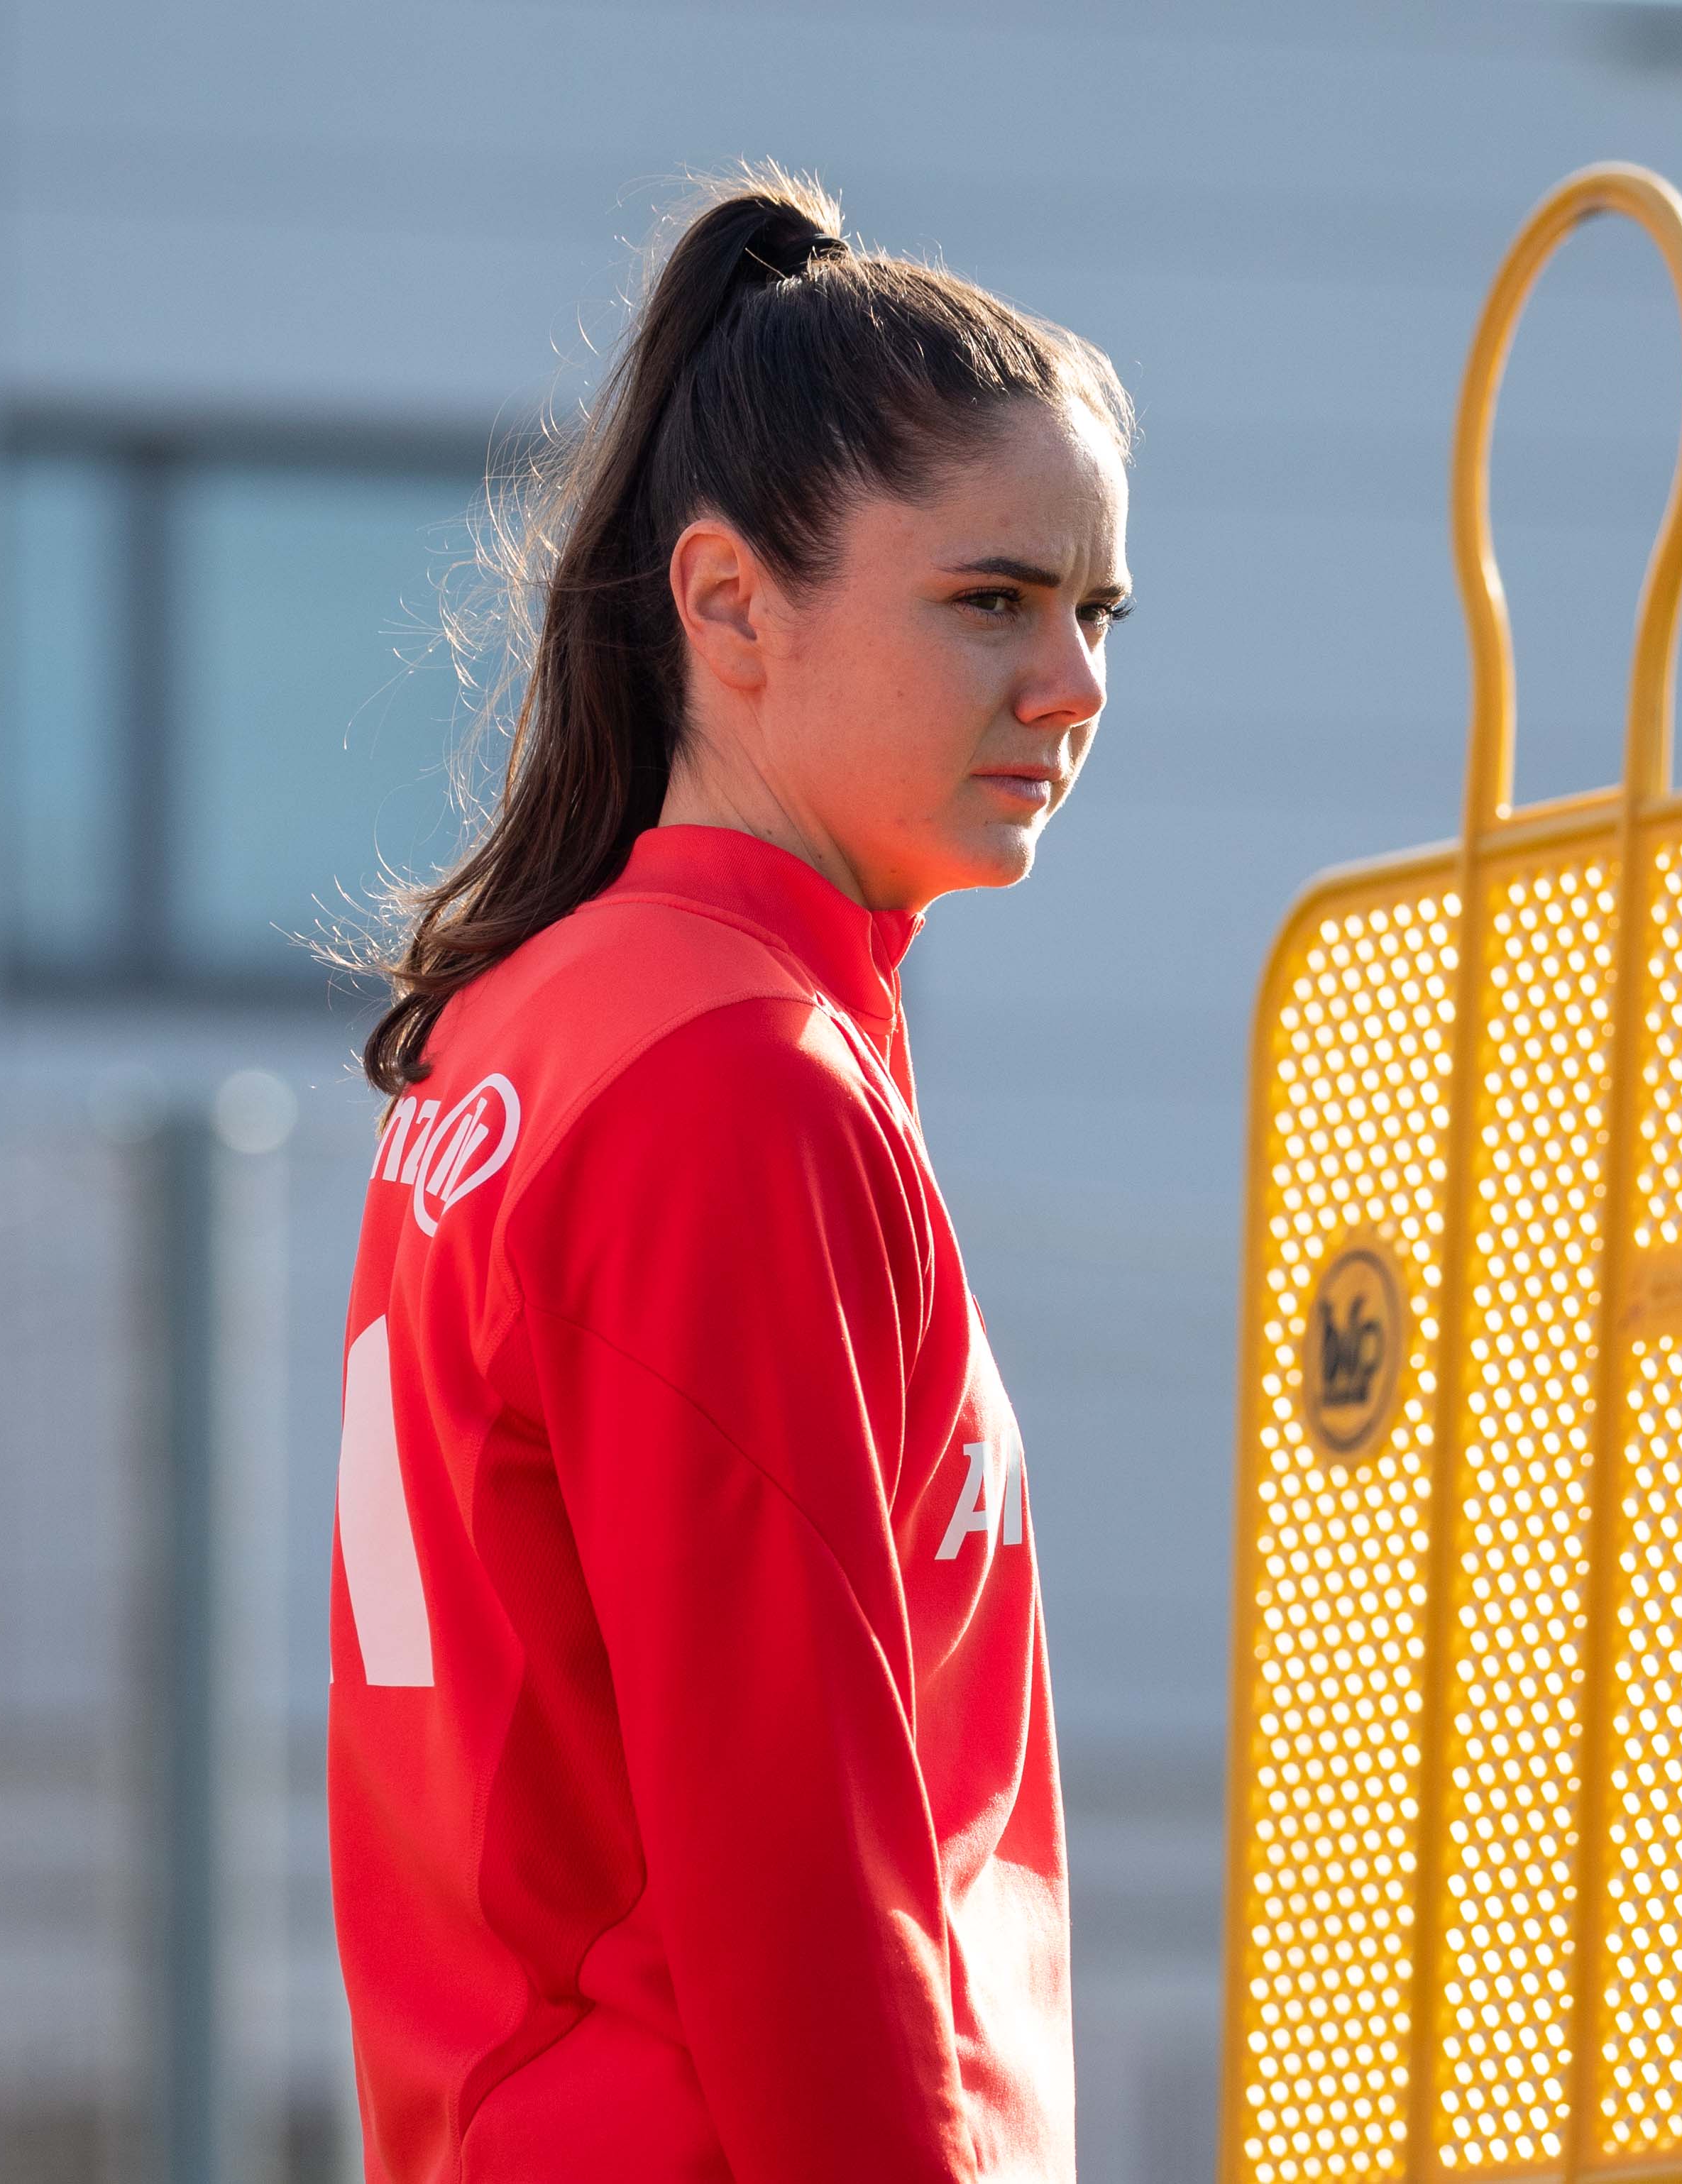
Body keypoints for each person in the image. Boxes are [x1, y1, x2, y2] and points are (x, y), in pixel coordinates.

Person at [330, 170, 1134, 2183]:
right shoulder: (731, 1076)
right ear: (727, 604)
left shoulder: (547, 1019)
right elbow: (797, 1865)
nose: (1074, 685)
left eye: (1095, 609)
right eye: (991, 599)